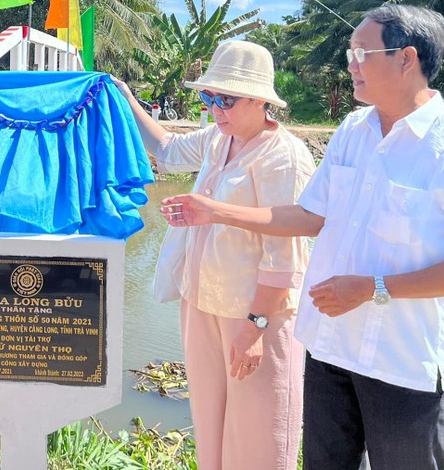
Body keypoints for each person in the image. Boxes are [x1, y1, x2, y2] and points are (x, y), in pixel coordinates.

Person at [163, 5, 444, 470]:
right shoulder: (354, 130)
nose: (350, 65)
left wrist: (374, 288)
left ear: (406, 58)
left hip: (401, 361)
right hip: (329, 347)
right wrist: (215, 211)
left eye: (361, 53)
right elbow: (309, 216)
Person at [115, 40, 315, 470]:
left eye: (226, 99)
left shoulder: (283, 156)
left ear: (260, 100)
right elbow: (167, 149)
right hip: (201, 303)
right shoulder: (217, 139)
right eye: (209, 97)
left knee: (259, 438)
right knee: (211, 430)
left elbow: (285, 253)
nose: (215, 108)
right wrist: (127, 99)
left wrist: (256, 326)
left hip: (253, 313)